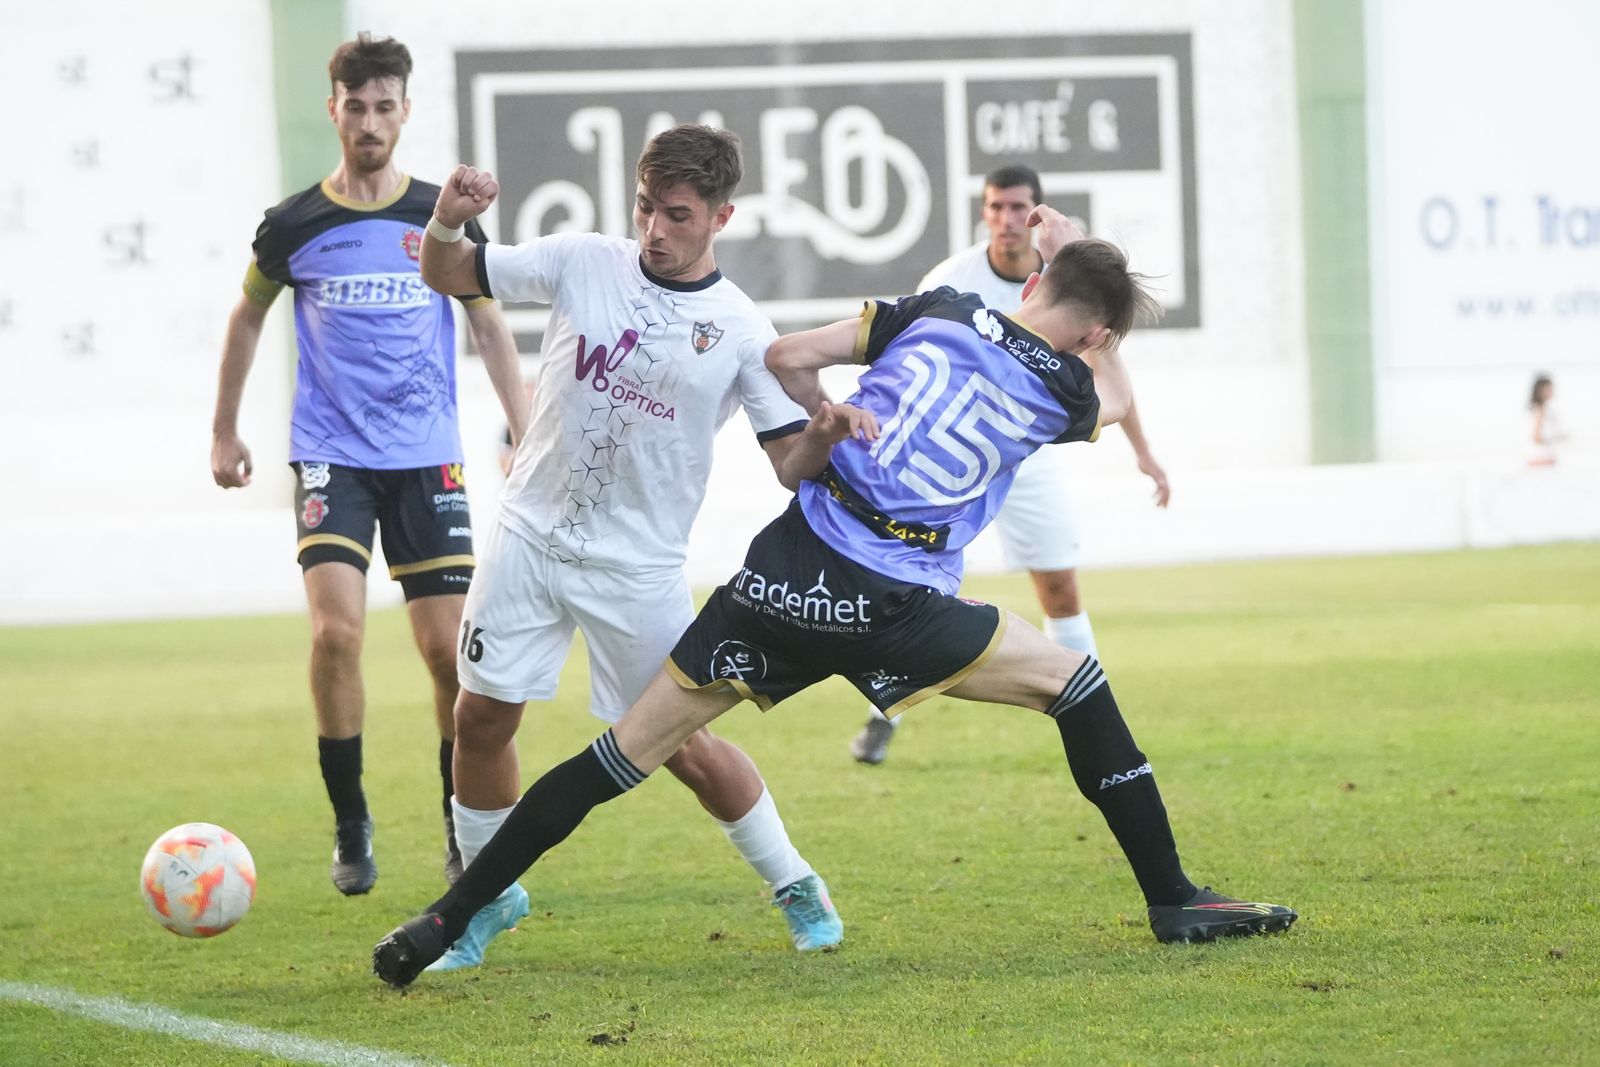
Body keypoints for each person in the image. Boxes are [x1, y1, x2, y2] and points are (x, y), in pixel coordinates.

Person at [371, 205, 1297, 989]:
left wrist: (830, 414)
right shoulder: (1068, 386)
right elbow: (1117, 397)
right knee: (1078, 686)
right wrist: (1075, 250)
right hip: (901, 602)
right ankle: (1172, 895)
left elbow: (782, 354)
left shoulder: (933, 310)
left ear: (1028, 285)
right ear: (1095, 331)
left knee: (620, 755)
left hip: (784, 581)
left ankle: (445, 918)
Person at [408, 124, 846, 972]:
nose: (654, 230)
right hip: (528, 539)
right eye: (645, 207)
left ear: (721, 216)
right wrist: (447, 222)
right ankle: (484, 902)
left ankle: (795, 883)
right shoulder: (583, 259)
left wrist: (823, 433)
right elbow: (449, 272)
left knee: (680, 744)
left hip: (635, 571)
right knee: (480, 717)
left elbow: (792, 465)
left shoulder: (742, 329)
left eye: (677, 215)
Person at [209, 34, 529, 896]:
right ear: (334, 111)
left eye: (386, 106)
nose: (371, 121)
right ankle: (351, 821)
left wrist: (521, 421)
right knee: (335, 632)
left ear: (404, 111)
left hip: (427, 460)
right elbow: (246, 318)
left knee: (444, 655)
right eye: (357, 106)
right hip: (332, 457)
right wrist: (225, 432)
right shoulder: (293, 226)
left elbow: (489, 323)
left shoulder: (438, 219)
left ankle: (458, 831)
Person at [849, 163, 1170, 765]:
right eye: (994, 207)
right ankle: (879, 718)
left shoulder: (1069, 286)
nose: (1005, 220)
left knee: (1059, 588)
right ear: (984, 213)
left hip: (1032, 455)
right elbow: (910, 357)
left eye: (1018, 207)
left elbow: (1107, 381)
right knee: (906, 587)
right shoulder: (953, 279)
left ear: (1038, 216)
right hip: (953, 451)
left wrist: (1145, 456)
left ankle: (1095, 717)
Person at [1528, 373, 1566, 467]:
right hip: (1540, 458)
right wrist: (1556, 438)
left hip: (1546, 456)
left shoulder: (1545, 408)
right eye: (1549, 388)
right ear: (1541, 391)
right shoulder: (1539, 409)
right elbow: (1536, 436)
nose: (1552, 391)